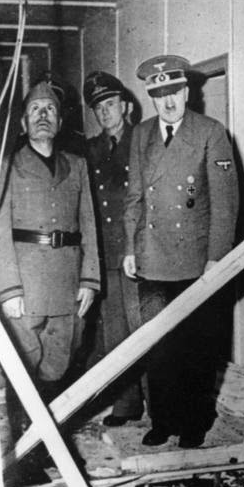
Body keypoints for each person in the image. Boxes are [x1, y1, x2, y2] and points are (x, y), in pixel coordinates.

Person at [123, 54, 239, 448]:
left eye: (174, 92)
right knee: (158, 344)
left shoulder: (210, 132)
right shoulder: (141, 135)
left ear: (186, 92)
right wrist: (130, 246)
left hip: (194, 260)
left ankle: (195, 420)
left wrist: (216, 258)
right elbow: (134, 197)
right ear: (152, 98)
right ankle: (163, 419)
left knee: (195, 346)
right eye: (160, 95)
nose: (168, 102)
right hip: (153, 257)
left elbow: (225, 203)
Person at [0, 80, 100, 400]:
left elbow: (89, 225)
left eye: (50, 109)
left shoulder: (77, 166)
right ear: (24, 123)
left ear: (60, 122)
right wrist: (9, 289)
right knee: (23, 364)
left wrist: (90, 280)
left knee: (61, 361)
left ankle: (51, 425)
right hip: (25, 284)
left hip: (67, 281)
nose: (43, 115)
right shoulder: (6, 168)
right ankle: (25, 428)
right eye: (35, 110)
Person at [82, 71, 144, 426]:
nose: (104, 112)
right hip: (106, 255)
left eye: (110, 103)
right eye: (98, 107)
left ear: (126, 106)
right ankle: (126, 403)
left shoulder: (144, 140)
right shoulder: (91, 150)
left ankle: (159, 405)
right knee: (115, 334)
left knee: (144, 329)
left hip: (138, 254)